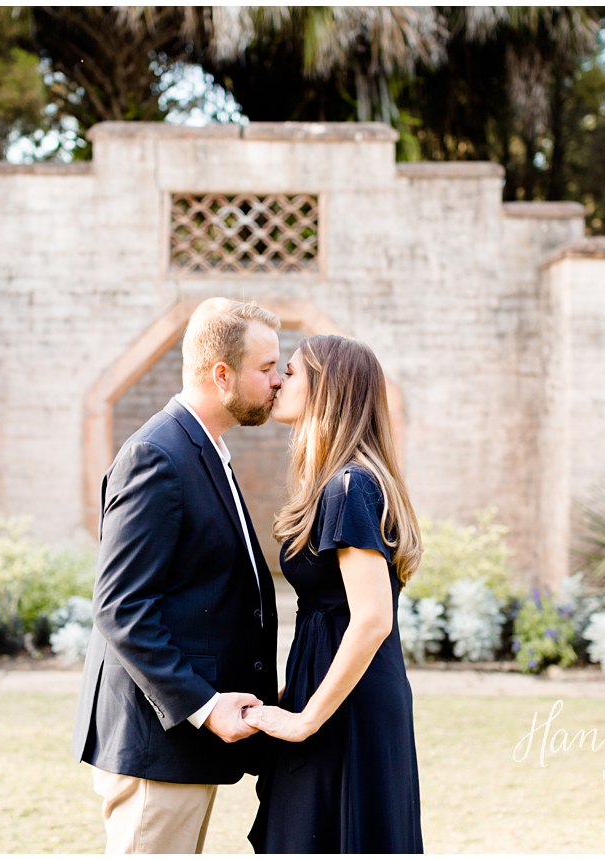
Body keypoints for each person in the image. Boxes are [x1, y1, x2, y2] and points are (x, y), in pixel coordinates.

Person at [72, 297, 282, 853]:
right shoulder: (156, 455)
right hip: (155, 742)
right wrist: (206, 707)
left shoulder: (207, 449)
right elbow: (120, 608)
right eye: (266, 369)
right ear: (222, 375)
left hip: (184, 747)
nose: (278, 381)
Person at [243, 334, 425, 853]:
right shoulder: (335, 484)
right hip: (327, 693)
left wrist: (304, 720)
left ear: (327, 390)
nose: (278, 380)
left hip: (347, 707)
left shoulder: (351, 486)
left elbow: (371, 619)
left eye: (292, 372)